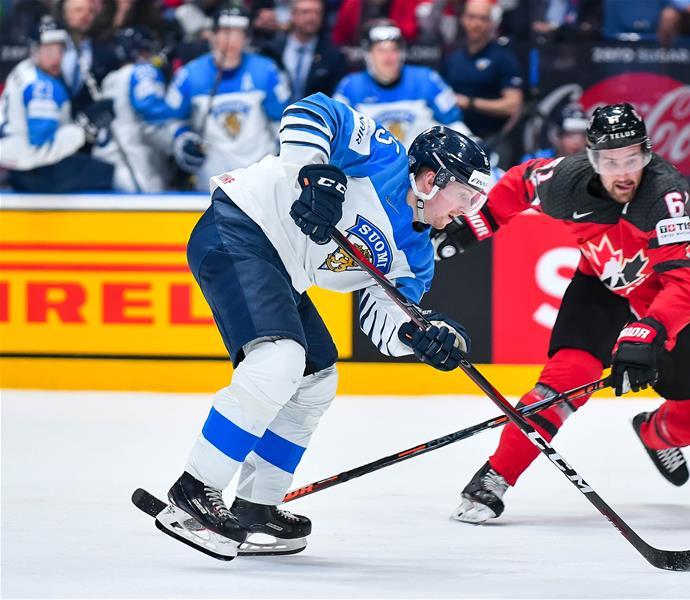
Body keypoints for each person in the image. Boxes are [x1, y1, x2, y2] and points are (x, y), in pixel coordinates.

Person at [152, 93, 493, 560]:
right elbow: (312, 110)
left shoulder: (416, 256)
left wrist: (423, 336)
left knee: (315, 379)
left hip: (282, 269)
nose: (468, 210)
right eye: (466, 196)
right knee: (280, 360)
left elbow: (383, 320)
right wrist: (313, 172)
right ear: (432, 179)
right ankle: (196, 490)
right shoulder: (383, 155)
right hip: (240, 224)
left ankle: (255, 508)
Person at [434, 103, 690, 524]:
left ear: (648, 152)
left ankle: (653, 431)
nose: (622, 173)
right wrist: (481, 224)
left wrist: (648, 331)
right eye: (609, 161)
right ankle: (495, 476)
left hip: (662, 304)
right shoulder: (568, 181)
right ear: (591, 159)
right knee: (564, 381)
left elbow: (689, 281)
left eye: (633, 159)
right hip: (601, 285)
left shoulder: (665, 196)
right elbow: (519, 184)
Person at [164, 6, 291, 190]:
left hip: (259, 184)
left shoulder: (267, 71)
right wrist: (183, 141)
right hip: (210, 182)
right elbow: (172, 121)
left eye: (237, 33)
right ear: (212, 35)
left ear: (246, 38)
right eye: (224, 32)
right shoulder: (190, 74)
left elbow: (280, 122)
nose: (230, 40)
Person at [0, 17, 116, 192]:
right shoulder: (42, 86)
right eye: (48, 50)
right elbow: (41, 147)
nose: (56, 57)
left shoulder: (24, 70)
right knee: (109, 173)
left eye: (59, 50)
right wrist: (82, 130)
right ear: (34, 50)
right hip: (34, 169)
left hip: (17, 163)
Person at [334, 19, 471, 148]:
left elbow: (454, 123)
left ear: (402, 53)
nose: (388, 58)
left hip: (420, 168)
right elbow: (337, 136)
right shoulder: (350, 87)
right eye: (381, 51)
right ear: (368, 55)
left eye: (393, 50)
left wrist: (472, 143)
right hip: (369, 170)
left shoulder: (426, 79)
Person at [91, 27, 173, 192]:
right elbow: (154, 116)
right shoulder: (143, 72)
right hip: (136, 169)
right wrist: (178, 142)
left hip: (106, 166)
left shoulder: (110, 79)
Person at [442, 0, 524, 156]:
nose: (476, 23)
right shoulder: (453, 59)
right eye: (472, 17)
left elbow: (513, 105)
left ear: (492, 22)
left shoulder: (504, 58)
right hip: (456, 142)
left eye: (483, 18)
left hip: (494, 140)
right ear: (463, 19)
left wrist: (469, 103)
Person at [257, 0, 348, 101]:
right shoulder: (271, 50)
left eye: (317, 12)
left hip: (315, 114)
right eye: (305, 12)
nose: (312, 17)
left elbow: (336, 98)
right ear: (292, 15)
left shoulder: (333, 56)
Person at [520, 102, 588, 162]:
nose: (576, 142)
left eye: (582, 135)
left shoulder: (593, 164)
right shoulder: (535, 160)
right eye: (569, 135)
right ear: (556, 136)